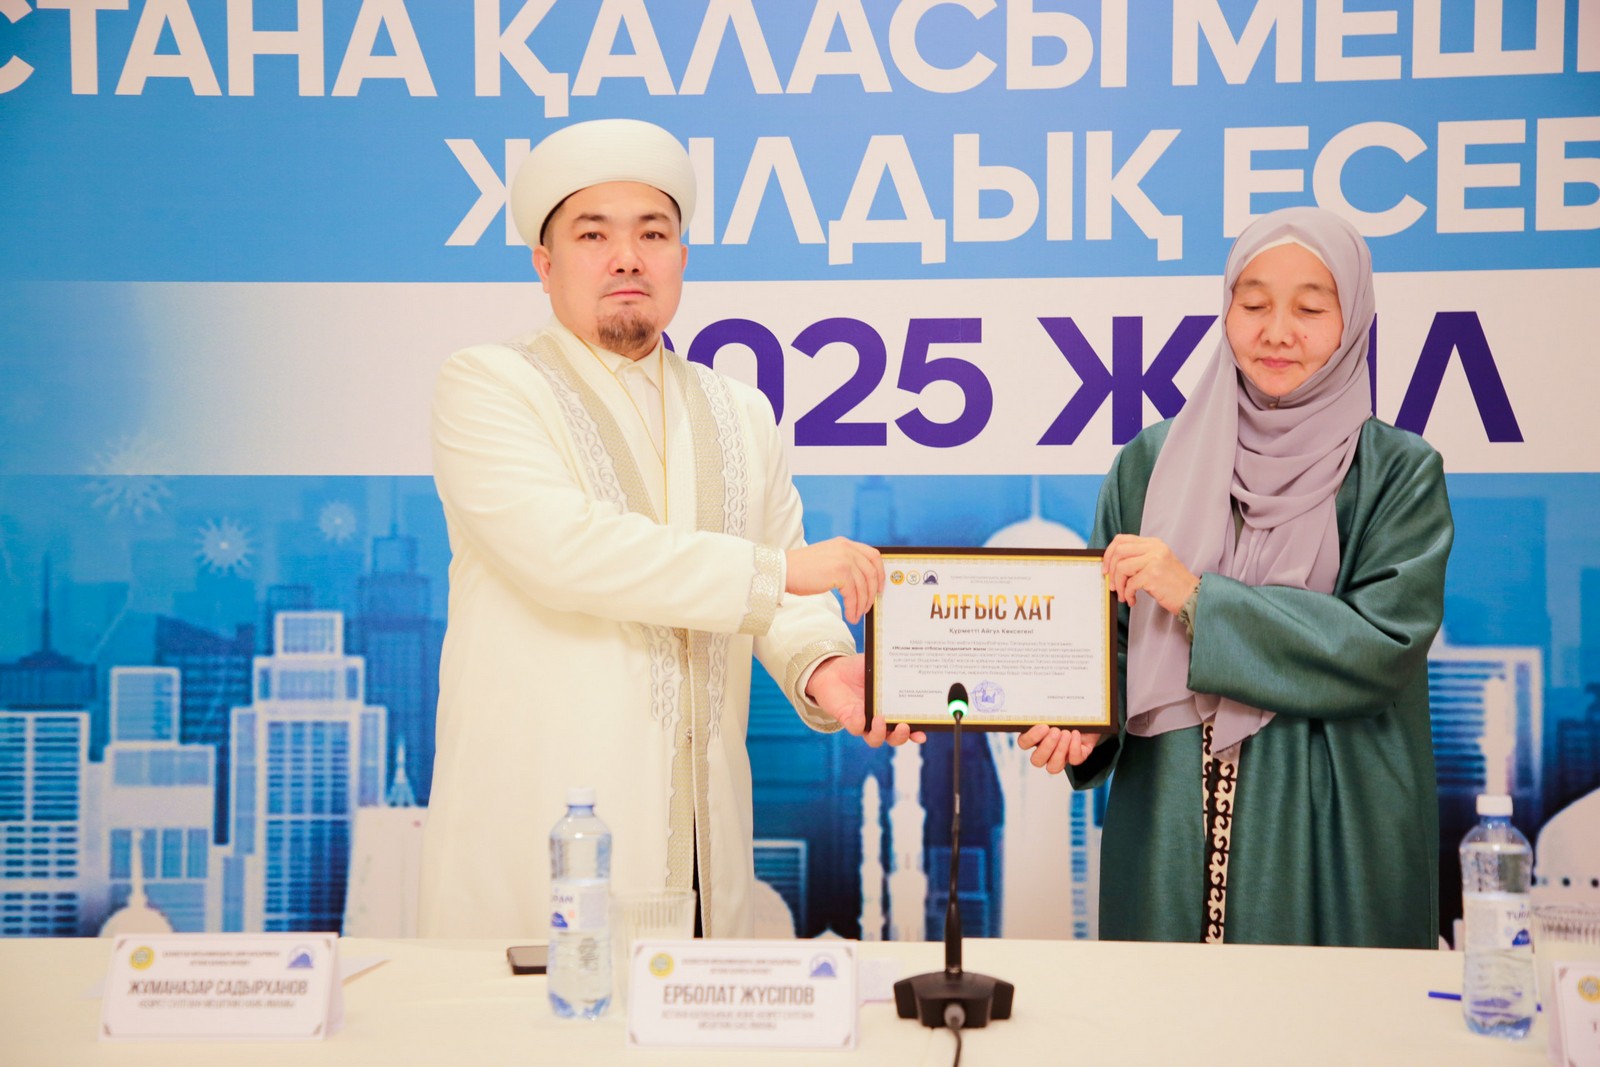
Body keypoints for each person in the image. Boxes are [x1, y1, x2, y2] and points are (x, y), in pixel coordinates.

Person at [418, 118, 922, 939]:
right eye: (593, 234)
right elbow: (567, 550)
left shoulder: (740, 412)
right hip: (538, 824)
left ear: (681, 258)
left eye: (653, 233)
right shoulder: (490, 384)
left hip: (702, 839)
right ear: (544, 264)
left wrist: (826, 667)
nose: (627, 257)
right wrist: (777, 573)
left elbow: (789, 595)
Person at [1020, 206, 1453, 948]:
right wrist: (1086, 719)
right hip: (1169, 816)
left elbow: (1382, 644)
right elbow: (1109, 644)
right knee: (1164, 1009)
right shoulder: (1150, 463)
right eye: (1253, 305)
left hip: (1331, 822)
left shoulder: (1397, 473)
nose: (1277, 332)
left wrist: (1198, 599)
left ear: (1352, 321)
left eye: (1310, 309)